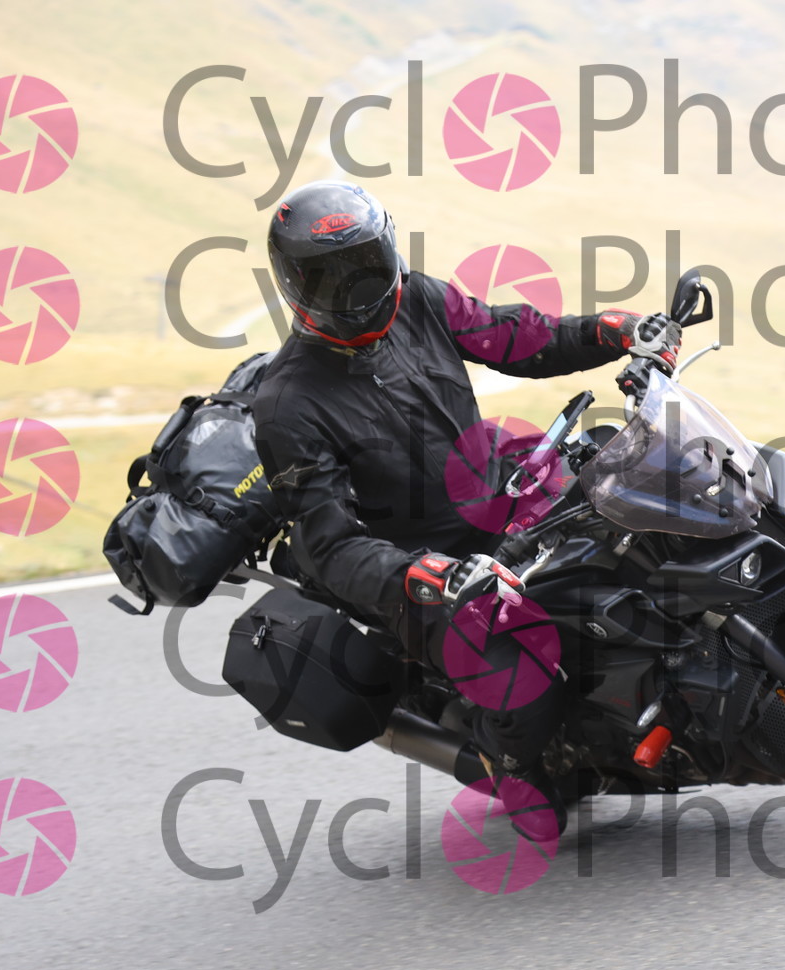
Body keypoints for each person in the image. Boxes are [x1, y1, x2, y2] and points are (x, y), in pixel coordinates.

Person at [251, 180, 679, 842]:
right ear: (293, 284)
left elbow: (518, 337)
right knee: (524, 676)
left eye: (365, 264)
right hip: (429, 571)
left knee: (647, 513)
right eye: (329, 276)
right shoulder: (287, 403)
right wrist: (421, 574)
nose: (355, 287)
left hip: (505, 501)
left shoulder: (418, 299)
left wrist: (606, 331)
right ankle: (518, 769)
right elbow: (331, 543)